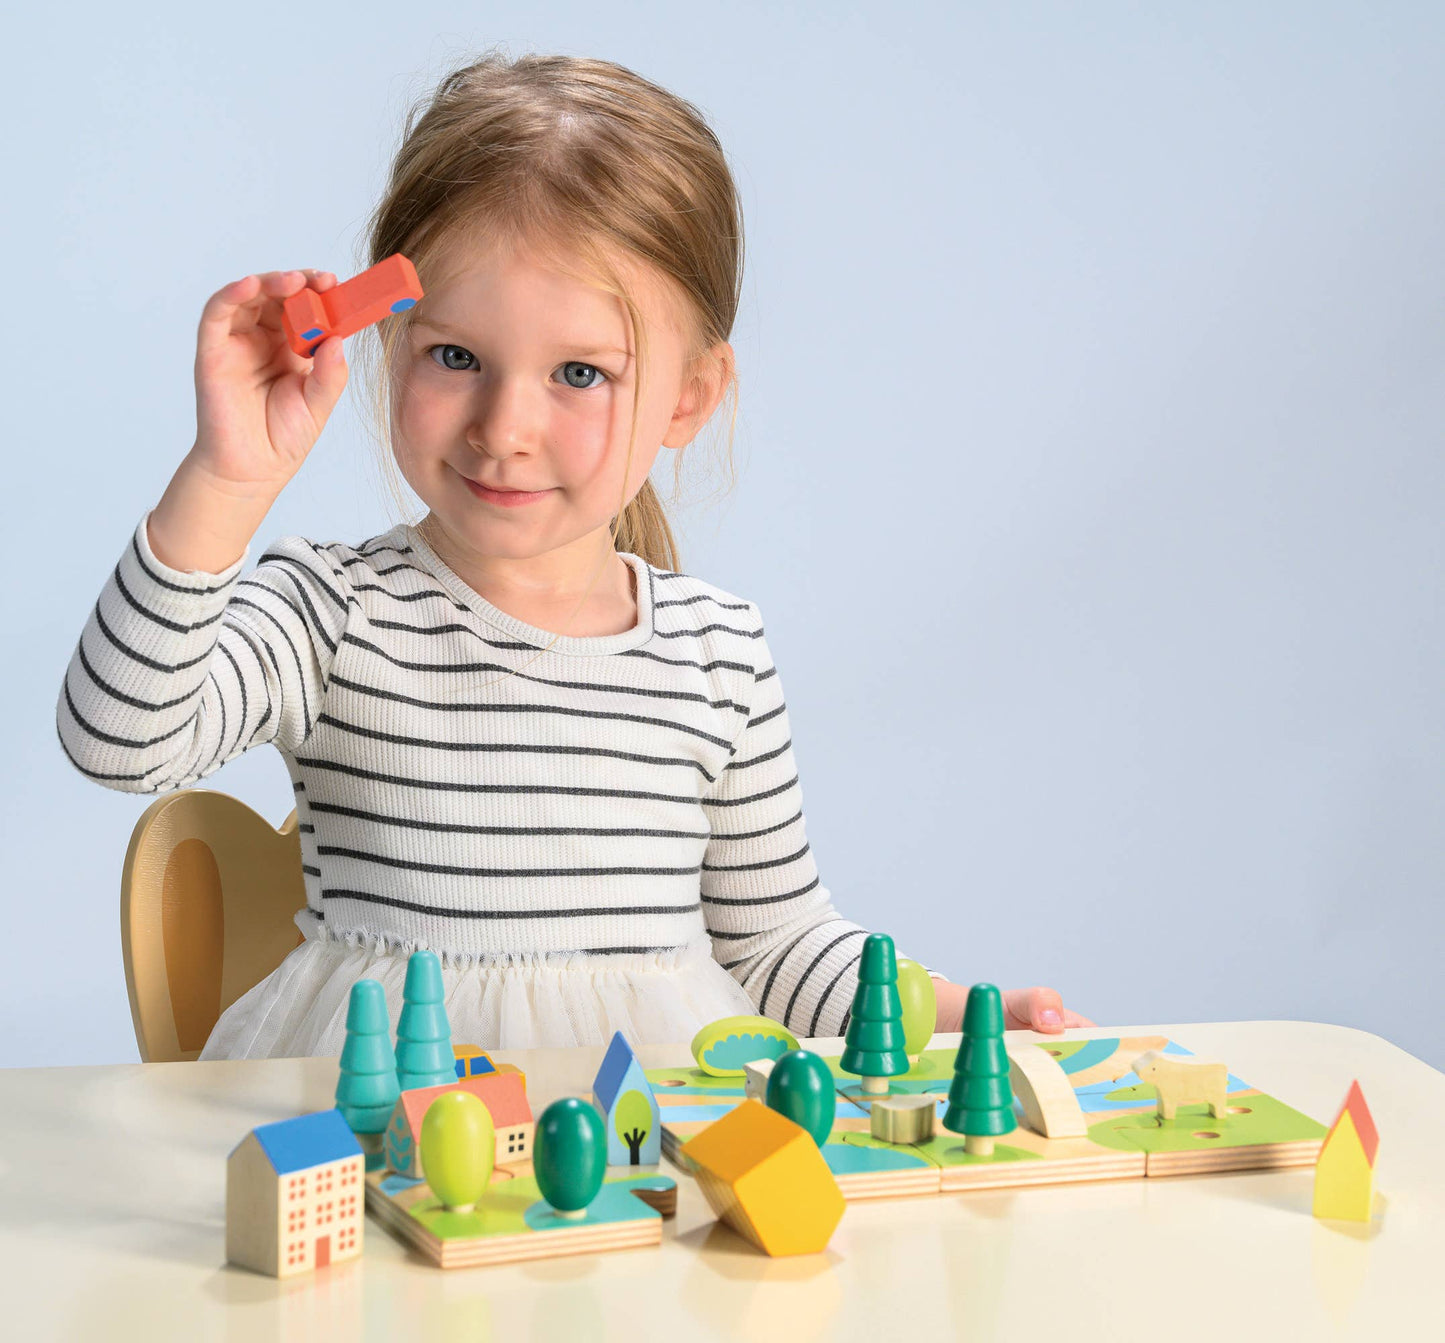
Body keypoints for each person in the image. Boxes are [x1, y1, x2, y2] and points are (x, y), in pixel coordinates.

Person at [56, 51, 1092, 1058]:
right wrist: (229, 475)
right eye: (455, 356)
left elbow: (774, 942)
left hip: (640, 1151)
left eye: (580, 374)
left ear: (687, 397)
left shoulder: (715, 650)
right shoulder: (333, 613)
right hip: (382, 1140)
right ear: (387, 341)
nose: (504, 427)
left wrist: (948, 1011)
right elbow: (121, 738)